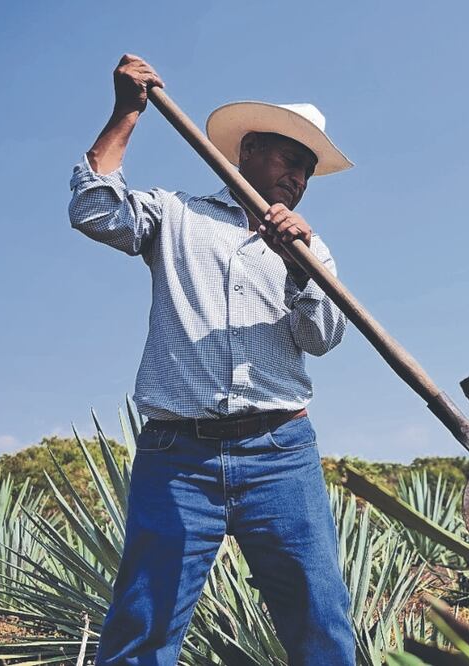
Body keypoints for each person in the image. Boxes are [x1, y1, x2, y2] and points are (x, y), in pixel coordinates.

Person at [68, 53, 356, 665]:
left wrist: (299, 266)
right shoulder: (177, 215)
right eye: (288, 159)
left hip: (280, 453)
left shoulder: (312, 249)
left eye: (307, 170)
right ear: (247, 150)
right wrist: (126, 114)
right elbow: (93, 209)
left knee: (321, 622)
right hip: (178, 456)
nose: (297, 177)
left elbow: (324, 337)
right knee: (144, 627)